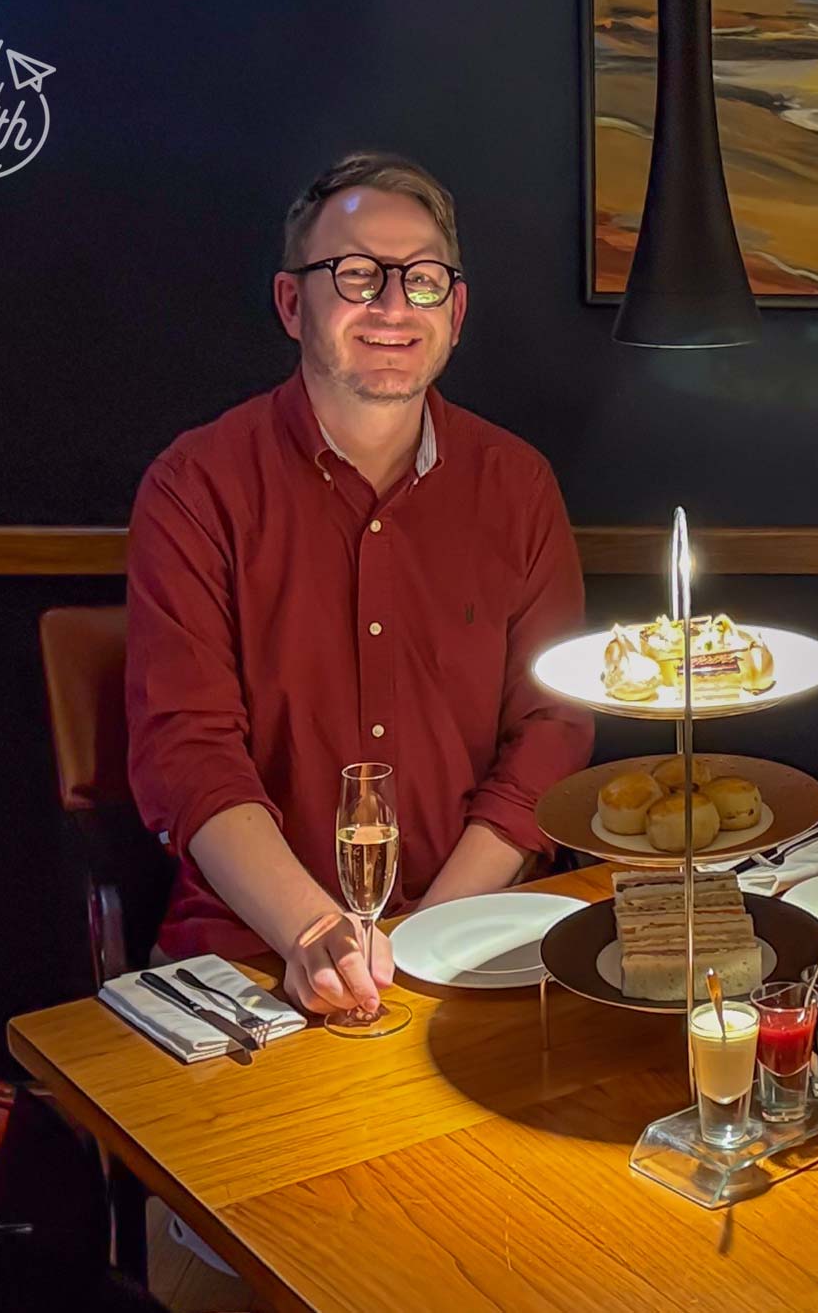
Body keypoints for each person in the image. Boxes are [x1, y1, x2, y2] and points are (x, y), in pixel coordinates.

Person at [126, 152, 593, 1019]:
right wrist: (313, 935)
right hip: (250, 954)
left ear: (454, 311)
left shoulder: (518, 485)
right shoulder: (195, 486)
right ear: (291, 302)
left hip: (473, 936)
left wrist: (436, 932)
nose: (390, 305)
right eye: (354, 275)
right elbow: (186, 751)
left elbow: (551, 731)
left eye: (420, 279)